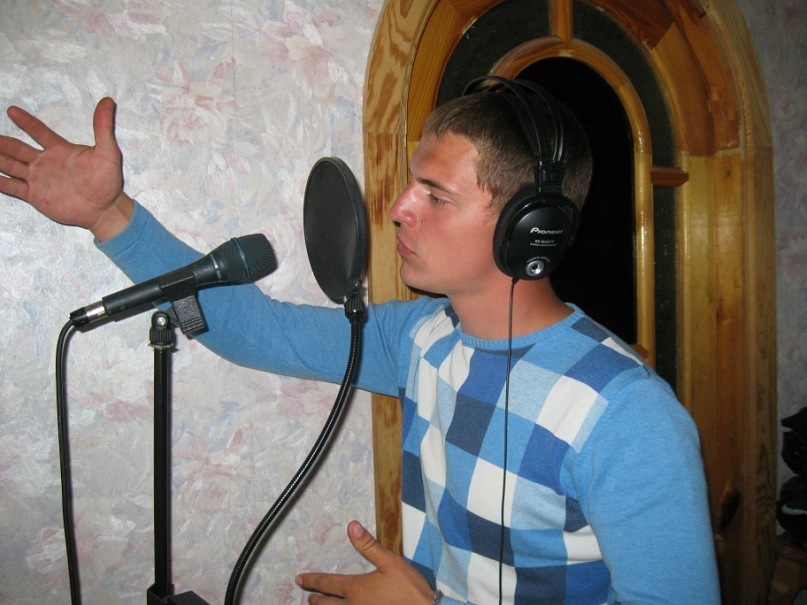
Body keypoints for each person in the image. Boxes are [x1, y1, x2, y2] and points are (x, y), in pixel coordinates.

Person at [0, 80, 720, 604]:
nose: (399, 208)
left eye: (435, 195)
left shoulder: (625, 415)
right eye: (411, 184)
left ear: (530, 229)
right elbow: (256, 331)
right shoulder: (421, 337)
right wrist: (110, 216)